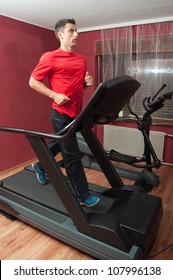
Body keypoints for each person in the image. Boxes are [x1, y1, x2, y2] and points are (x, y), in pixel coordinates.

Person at [29, 18, 100, 207]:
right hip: (60, 113)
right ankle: (83, 197)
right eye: (72, 31)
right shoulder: (50, 57)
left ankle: (40, 165)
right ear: (61, 34)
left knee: (62, 143)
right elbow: (33, 81)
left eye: (77, 31)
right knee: (72, 155)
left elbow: (76, 87)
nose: (76, 34)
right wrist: (54, 95)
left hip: (77, 113)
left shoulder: (80, 59)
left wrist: (85, 85)